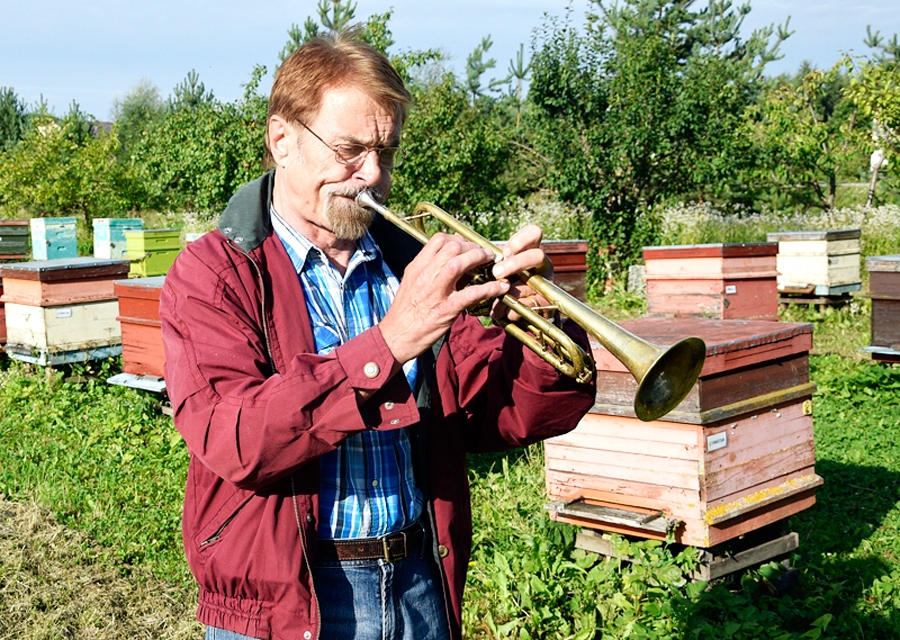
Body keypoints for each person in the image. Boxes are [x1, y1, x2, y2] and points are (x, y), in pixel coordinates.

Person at [159, 28, 595, 640]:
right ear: (282, 140)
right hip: (289, 601)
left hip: (418, 581)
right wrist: (389, 343)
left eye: (385, 153)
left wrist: (540, 327)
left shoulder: (407, 267)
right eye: (349, 150)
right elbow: (234, 439)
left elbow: (504, 417)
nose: (371, 176)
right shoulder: (213, 272)